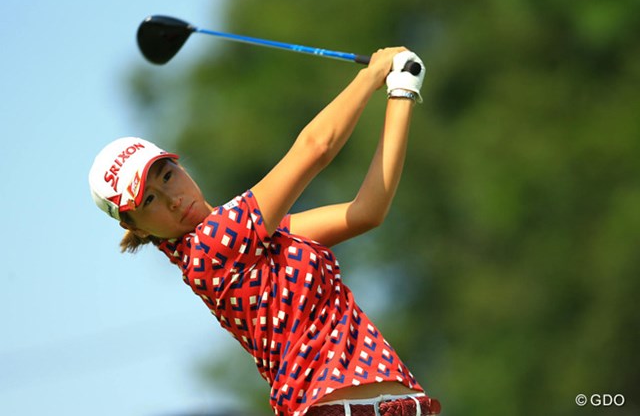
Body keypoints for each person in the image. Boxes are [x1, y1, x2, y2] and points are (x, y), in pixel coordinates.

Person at [89, 47, 440, 416]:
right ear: (136, 229)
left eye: (167, 176)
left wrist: (401, 92)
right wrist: (371, 75)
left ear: (179, 166)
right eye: (149, 201)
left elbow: (367, 212)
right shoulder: (211, 247)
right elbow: (315, 148)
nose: (172, 199)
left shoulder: (258, 239)